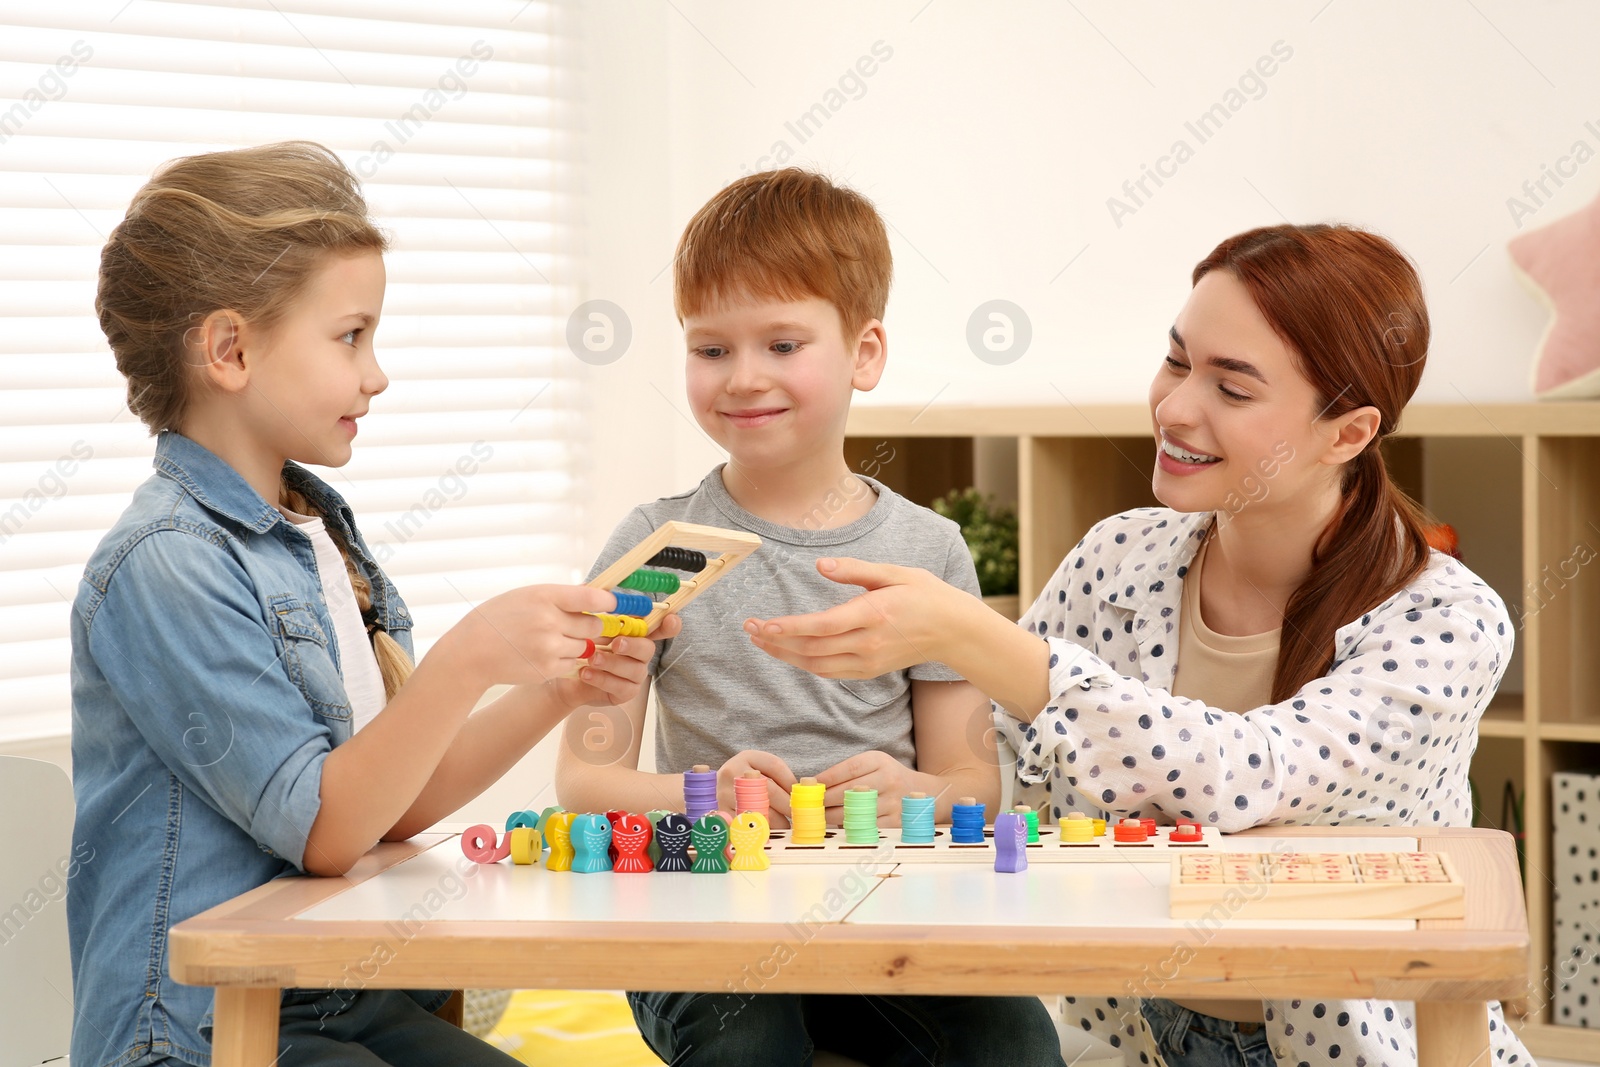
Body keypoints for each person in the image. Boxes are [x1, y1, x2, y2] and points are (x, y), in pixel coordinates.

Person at [744, 223, 1534, 1066]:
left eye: (1232, 388)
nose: (1175, 406)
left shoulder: (1446, 621)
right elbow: (1029, 769)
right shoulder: (1122, 557)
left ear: (1346, 434)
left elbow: (1244, 777)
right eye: (1176, 360)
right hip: (1130, 1034)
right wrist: (936, 792)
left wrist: (977, 640)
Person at [68, 141, 674, 1067]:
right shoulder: (165, 566)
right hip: (201, 1028)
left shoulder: (313, 530)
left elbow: (387, 803)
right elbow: (325, 828)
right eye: (351, 336)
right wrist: (471, 654)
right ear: (230, 349)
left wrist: (557, 690)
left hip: (331, 999)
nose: (376, 372)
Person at [555, 168, 1066, 1066]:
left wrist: (924, 797)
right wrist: (708, 800)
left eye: (782, 343)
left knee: (1016, 1040)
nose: (743, 377)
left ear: (865, 353)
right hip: (706, 917)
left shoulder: (930, 549)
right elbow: (587, 782)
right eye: (710, 349)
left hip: (886, 917)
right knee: (750, 1049)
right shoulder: (654, 548)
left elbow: (971, 786)